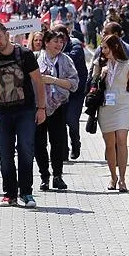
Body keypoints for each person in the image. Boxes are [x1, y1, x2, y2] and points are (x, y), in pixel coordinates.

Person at [0, 22, 47, 208]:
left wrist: (41, 108)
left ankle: (26, 192)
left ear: (7, 35)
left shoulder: (24, 54)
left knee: (26, 150)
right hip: (3, 111)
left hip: (25, 110)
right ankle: (9, 193)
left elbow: (38, 82)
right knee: (5, 153)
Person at [94, 35, 129, 193]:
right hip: (105, 107)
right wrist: (101, 75)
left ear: (114, 47)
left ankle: (122, 179)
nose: (103, 51)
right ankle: (113, 177)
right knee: (109, 144)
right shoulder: (100, 63)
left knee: (122, 140)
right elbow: (93, 85)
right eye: (102, 48)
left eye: (106, 48)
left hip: (122, 104)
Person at [34, 30, 79, 191]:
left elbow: (74, 84)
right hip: (39, 106)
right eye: (55, 41)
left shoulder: (65, 60)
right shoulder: (35, 58)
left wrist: (54, 80)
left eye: (61, 42)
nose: (59, 45)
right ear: (46, 42)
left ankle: (57, 175)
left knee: (58, 142)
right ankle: (44, 176)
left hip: (59, 106)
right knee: (39, 143)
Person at [57, 25, 88, 160]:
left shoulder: (75, 46)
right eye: (56, 39)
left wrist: (56, 54)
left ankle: (76, 144)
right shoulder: (53, 48)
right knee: (60, 122)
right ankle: (63, 151)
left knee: (72, 120)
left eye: (61, 39)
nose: (59, 42)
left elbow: (71, 59)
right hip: (59, 92)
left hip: (76, 92)